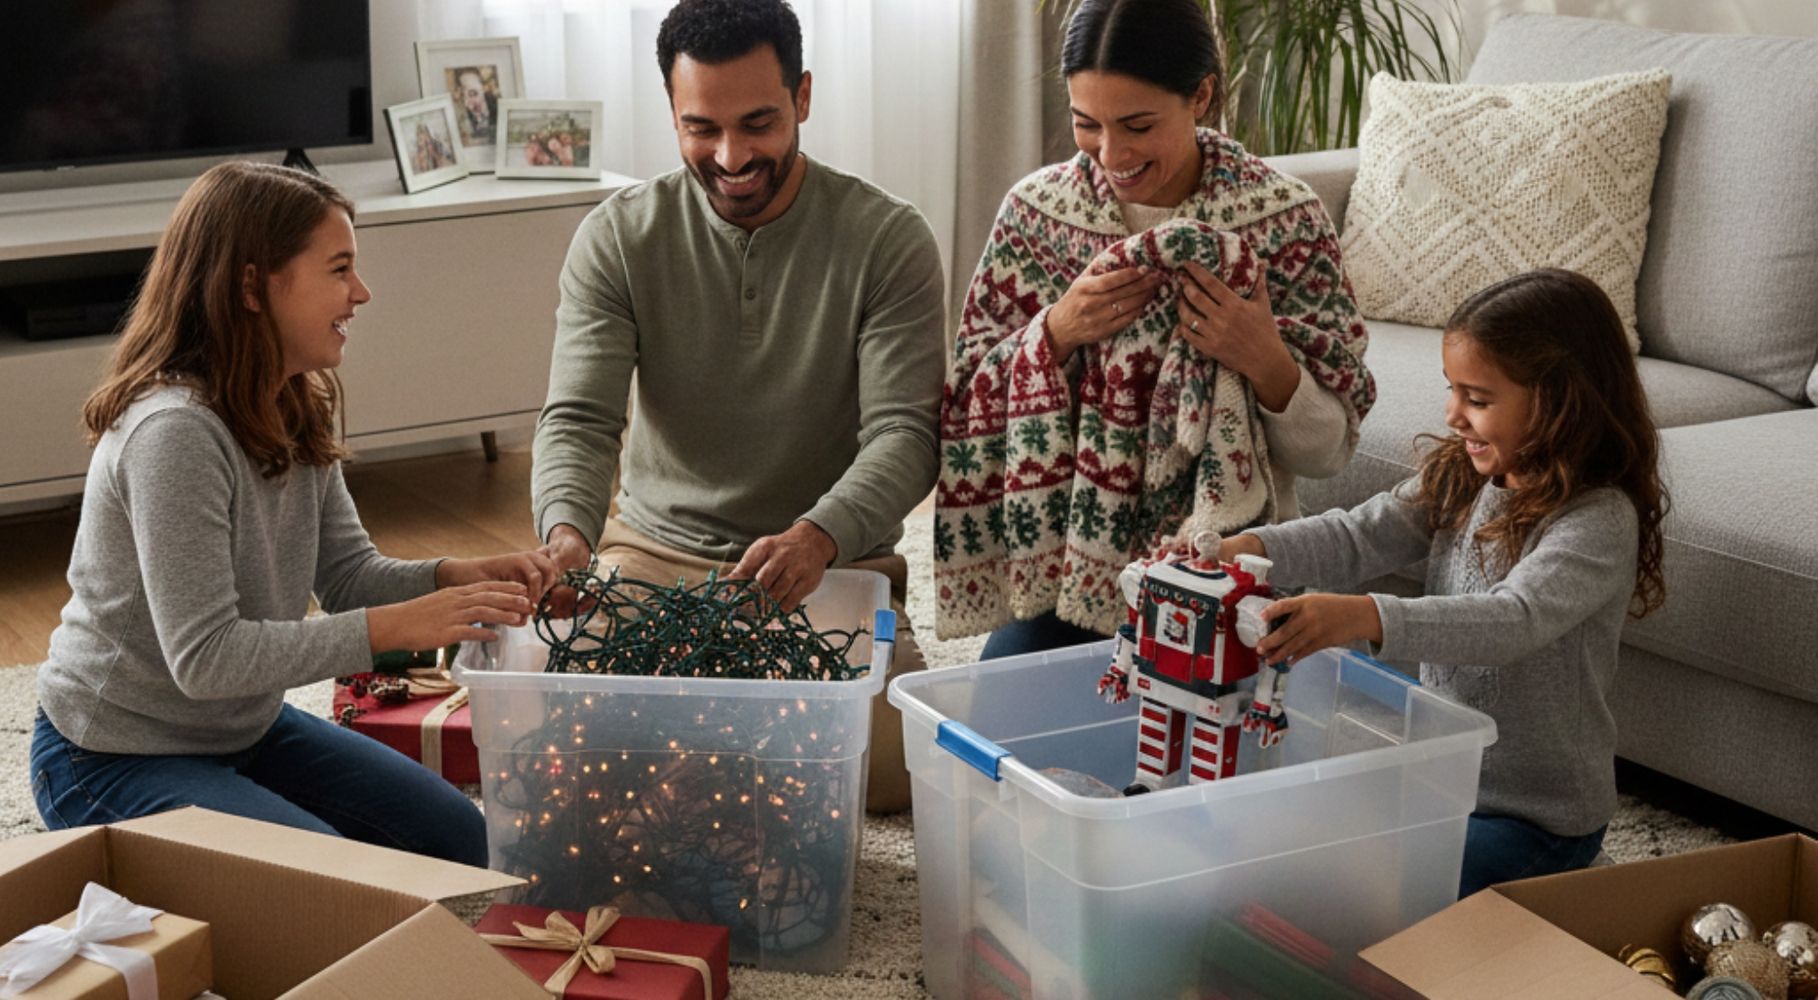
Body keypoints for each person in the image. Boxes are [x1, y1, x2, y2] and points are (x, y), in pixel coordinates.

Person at [30, 161, 560, 864]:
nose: (361, 293)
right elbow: (206, 659)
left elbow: (346, 574)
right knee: (340, 891)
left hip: (243, 732)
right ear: (253, 285)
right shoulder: (175, 433)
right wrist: (392, 629)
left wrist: (458, 578)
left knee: (472, 844)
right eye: (339, 269)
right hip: (108, 756)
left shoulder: (289, 398)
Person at [531, 0, 945, 813]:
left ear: (804, 98)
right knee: (567, 741)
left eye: (757, 122)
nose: (730, 155)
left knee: (894, 777)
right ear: (672, 114)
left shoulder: (888, 239)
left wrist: (818, 535)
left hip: (828, 567)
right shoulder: (617, 238)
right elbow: (579, 419)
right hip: (653, 560)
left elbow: (905, 435)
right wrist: (567, 536)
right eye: (701, 128)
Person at [934, 0, 1375, 656]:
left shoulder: (1285, 221)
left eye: (1137, 124)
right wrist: (1056, 330)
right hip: (1068, 564)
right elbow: (968, 404)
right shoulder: (1035, 215)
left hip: (1223, 563)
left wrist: (1263, 356)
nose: (1111, 154)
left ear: (1201, 95)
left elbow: (1328, 451)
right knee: (1002, 715)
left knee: (1221, 726)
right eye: (1087, 124)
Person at [1221, 268, 1668, 897]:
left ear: (1562, 401)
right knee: (1292, 854)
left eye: (1478, 399)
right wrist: (1248, 545)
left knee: (1384, 898)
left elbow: (1513, 619)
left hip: (1536, 818)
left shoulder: (1597, 520)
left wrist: (1364, 617)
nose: (1454, 415)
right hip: (1437, 782)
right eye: (1452, 391)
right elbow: (1359, 534)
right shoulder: (1464, 475)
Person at [454, 66, 498, 145]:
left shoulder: (496, 104)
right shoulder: (461, 114)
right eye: (465, 90)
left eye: (474, 93)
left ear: (483, 87)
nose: (469, 98)